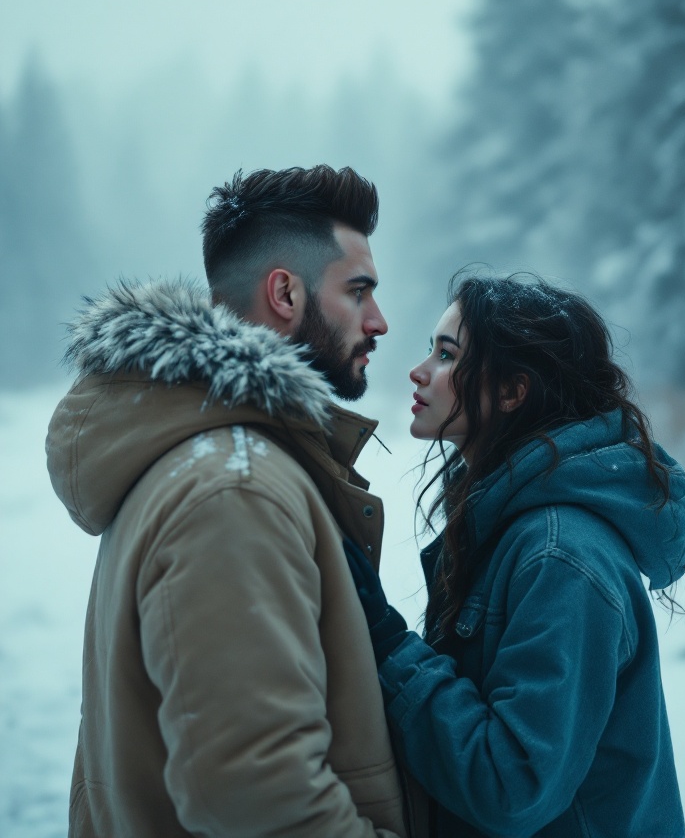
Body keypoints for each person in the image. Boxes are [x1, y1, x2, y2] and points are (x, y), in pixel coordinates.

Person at [46, 165, 426, 838]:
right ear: (284, 292)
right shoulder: (234, 488)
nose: (380, 321)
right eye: (359, 291)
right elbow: (256, 795)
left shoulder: (211, 457)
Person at [345, 273, 685, 838]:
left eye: (446, 354)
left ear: (511, 391)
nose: (418, 370)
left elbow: (513, 786)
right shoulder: (508, 526)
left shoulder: (560, 557)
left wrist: (388, 645)